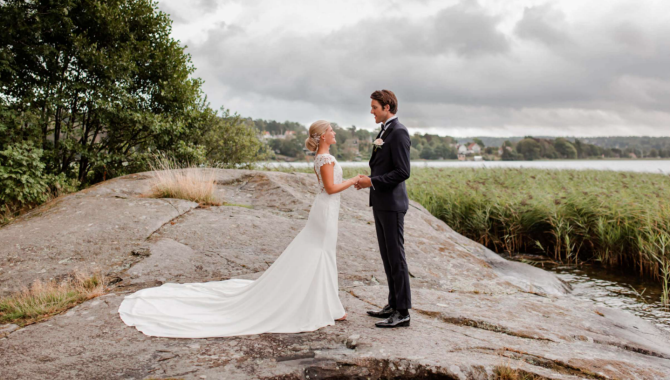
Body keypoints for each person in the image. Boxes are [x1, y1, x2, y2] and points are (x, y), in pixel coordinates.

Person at [118, 120, 363, 338]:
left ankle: (327, 304)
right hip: (325, 211)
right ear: (322, 136)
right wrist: (353, 180)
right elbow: (331, 188)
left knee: (322, 254)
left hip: (325, 211)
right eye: (331, 130)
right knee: (322, 254)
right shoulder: (326, 159)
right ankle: (328, 307)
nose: (334, 133)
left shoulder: (322, 158)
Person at [355, 89, 412, 328]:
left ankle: (403, 312)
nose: (371, 111)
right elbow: (383, 167)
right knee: (387, 256)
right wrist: (370, 179)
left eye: (374, 107)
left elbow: (402, 172)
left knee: (396, 257)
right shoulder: (385, 131)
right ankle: (392, 303)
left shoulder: (398, 132)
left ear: (387, 107)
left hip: (392, 205)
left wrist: (373, 182)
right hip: (381, 202)